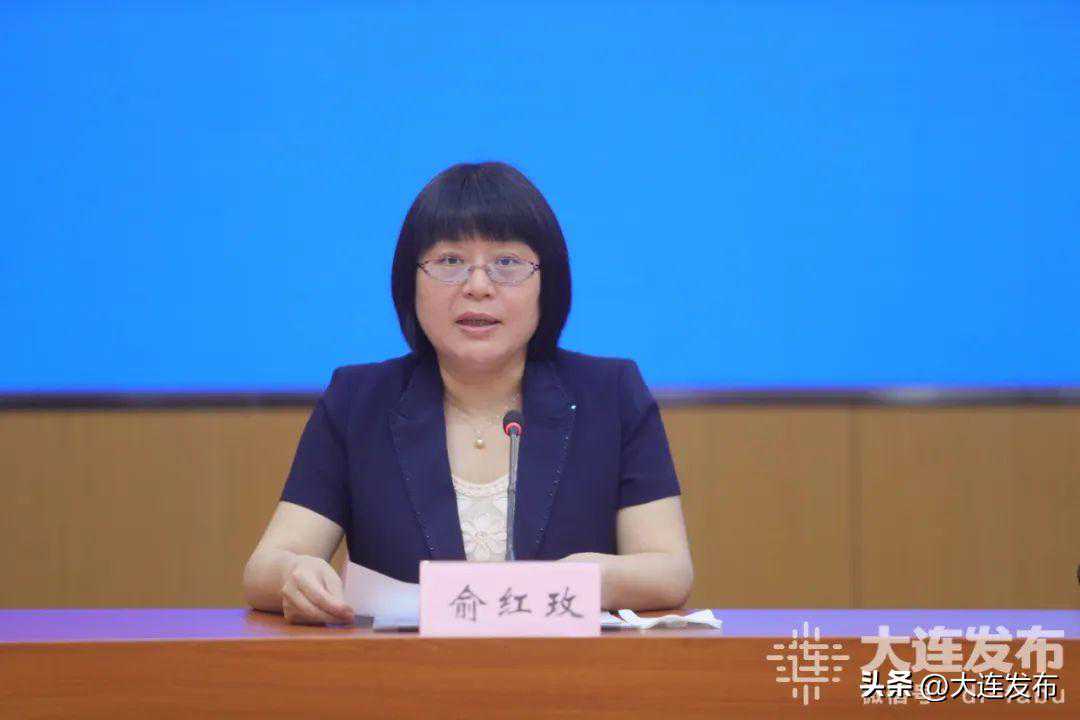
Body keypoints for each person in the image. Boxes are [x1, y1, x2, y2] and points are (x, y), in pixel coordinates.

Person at [243, 161, 693, 625]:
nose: (478, 287)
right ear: (410, 283)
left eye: (507, 263)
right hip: (406, 668)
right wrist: (297, 574)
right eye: (450, 262)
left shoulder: (610, 395)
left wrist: (574, 581)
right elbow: (265, 568)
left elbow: (669, 570)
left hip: (571, 667)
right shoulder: (358, 401)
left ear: (548, 283)